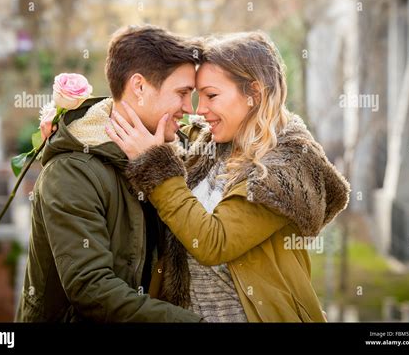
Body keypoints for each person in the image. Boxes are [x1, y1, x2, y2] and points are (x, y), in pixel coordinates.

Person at [106, 31, 350, 322]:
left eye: (211, 95)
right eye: (196, 96)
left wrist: (157, 166)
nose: (199, 109)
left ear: (254, 94)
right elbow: (147, 112)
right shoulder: (211, 143)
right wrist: (68, 118)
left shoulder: (286, 168)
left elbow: (213, 243)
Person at [16, 25, 203, 322]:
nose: (188, 108)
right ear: (139, 87)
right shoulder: (72, 171)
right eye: (182, 93)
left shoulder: (176, 152)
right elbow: (91, 288)